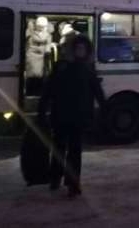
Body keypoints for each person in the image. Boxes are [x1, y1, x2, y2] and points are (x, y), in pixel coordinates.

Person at [38, 35, 105, 197]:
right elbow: (48, 90)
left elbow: (97, 91)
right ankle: (55, 177)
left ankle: (73, 184)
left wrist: (105, 108)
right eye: (78, 48)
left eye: (83, 49)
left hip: (78, 117)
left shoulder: (88, 68)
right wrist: (42, 111)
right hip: (61, 114)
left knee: (74, 151)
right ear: (73, 49)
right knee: (59, 148)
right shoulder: (61, 67)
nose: (80, 51)